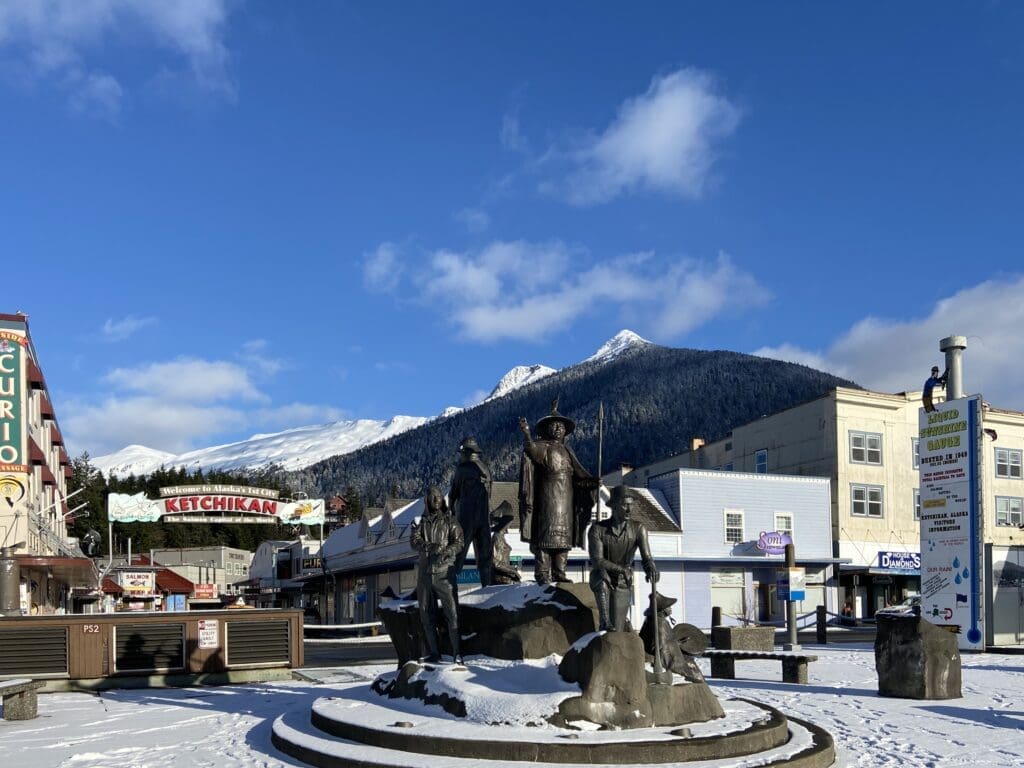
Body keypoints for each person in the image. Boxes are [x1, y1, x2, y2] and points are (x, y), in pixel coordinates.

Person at [518, 399, 598, 584]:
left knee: (563, 540)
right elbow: (530, 450)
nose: (558, 429)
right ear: (546, 429)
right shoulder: (543, 447)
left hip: (566, 500)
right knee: (544, 538)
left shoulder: (567, 451)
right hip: (547, 497)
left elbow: (579, 477)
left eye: (561, 427)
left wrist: (592, 482)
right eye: (554, 426)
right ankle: (543, 573)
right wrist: (527, 434)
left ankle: (560, 572)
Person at [588, 484, 658, 631]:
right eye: (624, 505)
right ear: (614, 506)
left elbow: (647, 558)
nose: (629, 509)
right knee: (601, 579)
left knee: (617, 630)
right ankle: (604, 621)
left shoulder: (639, 529)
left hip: (622, 581)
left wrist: (651, 567)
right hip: (603, 575)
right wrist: (620, 569)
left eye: (631, 505)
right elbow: (597, 560)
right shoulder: (597, 529)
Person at [410, 486, 464, 663]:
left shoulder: (450, 521)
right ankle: (434, 652)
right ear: (427, 500)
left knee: (452, 613)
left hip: (444, 574)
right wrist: (429, 546)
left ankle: (457, 653)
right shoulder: (421, 521)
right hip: (425, 574)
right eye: (433, 497)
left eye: (439, 497)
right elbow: (414, 541)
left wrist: (448, 551)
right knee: (426, 615)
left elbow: (459, 542)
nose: (437, 500)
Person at [448, 436, 494, 586]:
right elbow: (490, 495)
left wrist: (451, 510)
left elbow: (453, 492)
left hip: (466, 516)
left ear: (466, 453)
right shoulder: (486, 468)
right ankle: (487, 588)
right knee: (485, 556)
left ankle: (449, 586)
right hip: (484, 517)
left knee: (458, 553)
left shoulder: (463, 468)